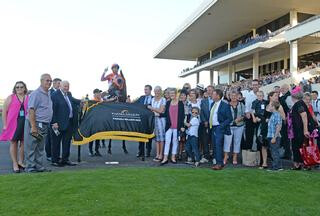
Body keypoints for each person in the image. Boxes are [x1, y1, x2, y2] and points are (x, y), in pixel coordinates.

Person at [24, 74, 53, 173]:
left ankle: (39, 166)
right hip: (35, 123)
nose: (49, 82)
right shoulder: (36, 94)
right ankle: (30, 167)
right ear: (41, 81)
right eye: (47, 80)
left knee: (40, 147)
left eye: (50, 81)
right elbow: (31, 110)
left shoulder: (48, 93)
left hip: (44, 124)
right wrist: (33, 126)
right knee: (31, 146)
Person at [0, 81, 29, 173]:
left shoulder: (28, 98)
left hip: (25, 123)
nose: (19, 89)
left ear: (25, 88)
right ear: (15, 88)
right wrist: (5, 125)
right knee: (14, 142)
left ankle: (21, 161)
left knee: (23, 143)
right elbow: (4, 112)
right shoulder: (10, 97)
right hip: (13, 124)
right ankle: (15, 163)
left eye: (21, 87)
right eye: (17, 87)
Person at [50, 81, 80, 167]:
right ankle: (55, 160)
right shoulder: (54, 95)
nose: (66, 88)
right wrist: (54, 122)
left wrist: (84, 101)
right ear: (60, 86)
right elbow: (52, 110)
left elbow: (75, 101)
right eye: (65, 86)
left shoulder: (69, 94)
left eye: (68, 86)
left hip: (69, 123)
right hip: (57, 124)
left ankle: (65, 159)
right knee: (56, 142)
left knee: (67, 142)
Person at [290, 87, 316, 170]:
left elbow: (304, 116)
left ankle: (305, 164)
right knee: (299, 146)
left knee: (302, 146)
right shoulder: (300, 103)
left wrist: (305, 130)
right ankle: (300, 164)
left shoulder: (299, 104)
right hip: (298, 129)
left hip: (300, 130)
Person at [160, 88, 185, 165]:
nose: (171, 95)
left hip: (177, 126)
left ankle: (173, 157)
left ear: (176, 94)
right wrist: (158, 114)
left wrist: (181, 126)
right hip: (169, 126)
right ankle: (165, 158)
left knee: (175, 142)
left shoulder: (180, 103)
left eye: (173, 93)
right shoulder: (168, 103)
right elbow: (165, 114)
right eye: (170, 94)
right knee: (167, 141)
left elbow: (182, 116)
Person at [210, 89, 233, 170]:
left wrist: (220, 126)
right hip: (212, 128)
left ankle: (219, 163)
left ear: (218, 96)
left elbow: (230, 118)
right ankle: (217, 162)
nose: (212, 95)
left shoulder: (225, 105)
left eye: (213, 94)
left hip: (219, 128)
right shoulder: (213, 104)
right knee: (215, 146)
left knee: (218, 145)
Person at [223, 91, 245, 165]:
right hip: (229, 126)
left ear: (237, 96)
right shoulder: (226, 105)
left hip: (239, 126)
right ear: (229, 97)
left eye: (235, 96)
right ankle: (226, 156)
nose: (233, 97)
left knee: (237, 141)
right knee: (227, 141)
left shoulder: (241, 104)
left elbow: (244, 115)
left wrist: (240, 118)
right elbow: (224, 115)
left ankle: (235, 157)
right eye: (232, 96)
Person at [148, 86, 166, 162]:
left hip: (161, 121)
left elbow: (161, 111)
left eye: (158, 91)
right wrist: (154, 111)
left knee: (161, 138)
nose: (157, 92)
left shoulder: (163, 100)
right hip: (154, 120)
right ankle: (157, 154)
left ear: (160, 91)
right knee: (157, 139)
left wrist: (152, 108)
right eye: (155, 91)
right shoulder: (152, 99)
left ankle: (161, 155)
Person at [45, 78, 61, 162]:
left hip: (58, 120)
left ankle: (55, 155)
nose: (60, 85)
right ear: (54, 83)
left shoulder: (60, 93)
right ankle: (49, 155)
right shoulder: (49, 92)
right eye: (59, 83)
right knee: (49, 138)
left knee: (56, 137)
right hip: (50, 119)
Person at [135, 85, 153, 158]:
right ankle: (140, 151)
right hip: (141, 119)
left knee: (149, 136)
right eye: (144, 89)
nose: (145, 91)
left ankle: (148, 151)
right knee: (141, 135)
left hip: (150, 119)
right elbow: (134, 104)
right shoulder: (141, 97)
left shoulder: (153, 98)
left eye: (146, 89)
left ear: (150, 90)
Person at [200, 85, 214, 163]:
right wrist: (204, 121)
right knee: (205, 140)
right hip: (205, 123)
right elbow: (201, 112)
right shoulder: (203, 101)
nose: (209, 91)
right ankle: (206, 156)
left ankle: (215, 156)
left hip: (215, 124)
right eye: (208, 90)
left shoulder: (217, 101)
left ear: (213, 91)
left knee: (214, 140)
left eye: (211, 90)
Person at [267, 101, 283, 171]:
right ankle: (278, 166)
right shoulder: (273, 114)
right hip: (271, 135)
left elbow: (278, 127)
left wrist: (274, 137)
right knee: (274, 151)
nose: (269, 107)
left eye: (270, 105)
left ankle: (275, 167)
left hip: (274, 136)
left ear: (273, 107)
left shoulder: (276, 115)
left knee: (274, 152)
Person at [244, 79, 260, 150]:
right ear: (251, 86)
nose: (255, 86)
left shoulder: (262, 94)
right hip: (250, 116)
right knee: (249, 135)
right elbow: (247, 106)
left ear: (259, 85)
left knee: (259, 135)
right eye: (253, 85)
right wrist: (247, 113)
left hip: (260, 117)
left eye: (256, 84)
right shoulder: (248, 94)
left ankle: (260, 153)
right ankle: (248, 151)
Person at [88, 89, 104, 157]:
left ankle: (97, 150)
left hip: (99, 122)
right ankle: (90, 151)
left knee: (98, 137)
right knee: (91, 137)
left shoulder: (101, 101)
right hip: (92, 122)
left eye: (100, 93)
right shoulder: (91, 101)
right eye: (98, 93)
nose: (100, 94)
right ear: (94, 94)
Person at [178, 89, 189, 160]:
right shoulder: (178, 103)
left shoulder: (189, 103)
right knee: (180, 139)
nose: (182, 96)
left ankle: (188, 154)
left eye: (184, 95)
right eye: (181, 95)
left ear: (186, 96)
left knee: (186, 139)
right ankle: (179, 153)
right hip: (179, 123)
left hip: (187, 122)